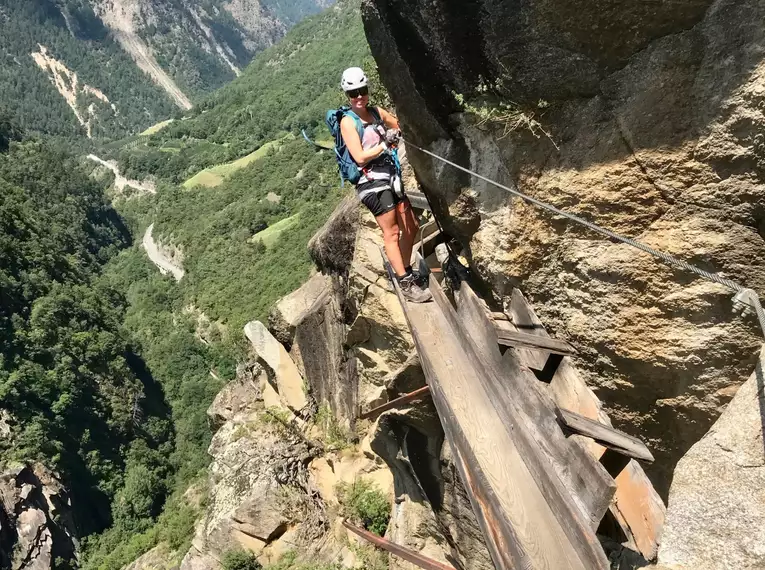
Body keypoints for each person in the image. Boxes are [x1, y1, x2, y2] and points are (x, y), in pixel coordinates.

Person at [339, 67, 432, 303]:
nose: (359, 97)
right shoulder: (348, 123)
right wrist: (384, 144)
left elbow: (398, 124)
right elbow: (359, 157)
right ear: (347, 95)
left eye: (362, 90)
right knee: (391, 231)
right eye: (353, 93)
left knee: (411, 224)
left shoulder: (377, 113)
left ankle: (403, 269)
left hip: (391, 175)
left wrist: (396, 133)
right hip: (371, 182)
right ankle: (405, 282)